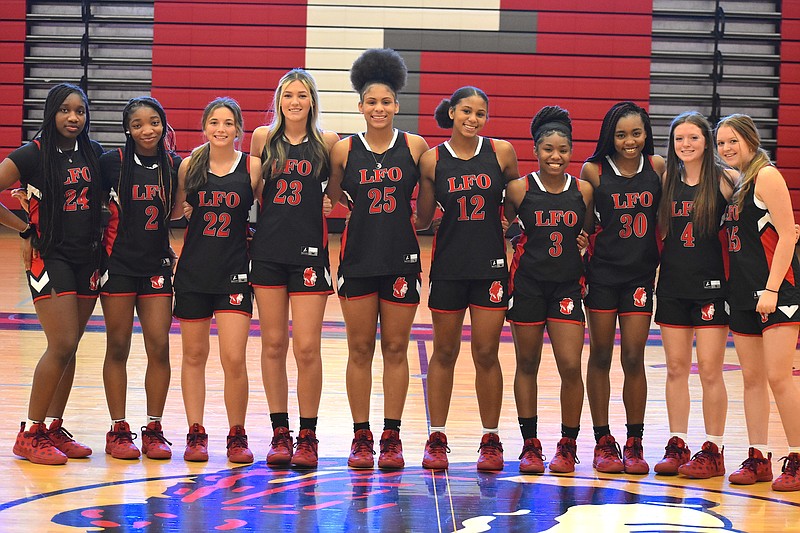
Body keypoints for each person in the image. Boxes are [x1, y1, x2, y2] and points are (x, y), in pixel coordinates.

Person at [326, 48, 429, 469]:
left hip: (402, 259)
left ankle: (391, 435)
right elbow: (333, 195)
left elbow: (431, 200)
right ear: (360, 106)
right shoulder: (344, 150)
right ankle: (361, 436)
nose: (379, 108)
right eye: (372, 101)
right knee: (359, 349)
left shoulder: (416, 146)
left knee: (396, 348)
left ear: (397, 105)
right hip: (358, 258)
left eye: (386, 101)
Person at [415, 86, 519, 471]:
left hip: (490, 266)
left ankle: (490, 438)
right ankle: (436, 437)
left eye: (480, 113)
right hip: (448, 266)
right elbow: (423, 219)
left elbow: (516, 203)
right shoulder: (431, 160)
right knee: (443, 352)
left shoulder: (501, 152)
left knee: (487, 353)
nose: (472, 119)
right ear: (452, 113)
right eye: (466, 111)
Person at [2, 83, 103, 464]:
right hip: (51, 257)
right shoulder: (32, 154)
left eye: (80, 111)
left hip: (88, 260)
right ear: (51, 113)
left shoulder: (94, 154)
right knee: (60, 344)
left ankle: (53, 428)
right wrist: (25, 228)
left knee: (71, 347)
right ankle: (29, 432)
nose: (73, 117)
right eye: (65, 110)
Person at [248, 69, 339, 468]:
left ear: (312, 100)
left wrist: (328, 204)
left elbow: (336, 196)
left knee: (306, 347)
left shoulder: (328, 142)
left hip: (308, 255)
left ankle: (308, 435)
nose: (295, 102)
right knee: (272, 345)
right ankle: (279, 432)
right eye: (288, 95)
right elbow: (247, 188)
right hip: (267, 252)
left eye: (302, 95)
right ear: (279, 100)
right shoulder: (262, 138)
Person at [504, 106, 594, 474]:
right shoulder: (518, 188)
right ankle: (529, 445)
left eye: (563, 150)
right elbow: (505, 229)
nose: (555, 157)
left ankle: (568, 445)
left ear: (571, 151)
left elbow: (588, 233)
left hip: (567, 286)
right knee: (527, 363)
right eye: (548, 150)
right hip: (526, 284)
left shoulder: (584, 190)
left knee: (571, 365)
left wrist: (586, 244)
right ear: (536, 151)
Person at [716, 114, 800, 491]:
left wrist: (771, 289)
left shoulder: (767, 175)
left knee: (780, 377)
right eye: (721, 143)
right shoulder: (737, 184)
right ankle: (758, 456)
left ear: (750, 140)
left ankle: (797, 458)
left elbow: (787, 236)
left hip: (777, 292)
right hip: (743, 294)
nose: (726, 148)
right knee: (752, 380)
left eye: (733, 141)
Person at [580, 101, 664, 474]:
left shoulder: (658, 167)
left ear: (646, 134)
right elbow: (582, 225)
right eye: (621, 134)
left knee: (633, 357)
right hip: (601, 275)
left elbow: (664, 220)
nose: (629, 141)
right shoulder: (593, 171)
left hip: (640, 277)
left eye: (636, 133)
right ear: (609, 136)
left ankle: (634, 441)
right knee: (600, 355)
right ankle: (603, 441)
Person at [173, 97, 257, 463]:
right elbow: (177, 212)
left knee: (233, 358)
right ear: (204, 127)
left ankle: (237, 434)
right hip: (193, 272)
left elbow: (268, 217)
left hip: (234, 272)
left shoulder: (253, 168)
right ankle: (196, 433)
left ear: (239, 129)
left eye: (228, 123)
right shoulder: (190, 166)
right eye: (214, 122)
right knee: (193, 355)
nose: (220, 129)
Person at [653, 111, 735, 478]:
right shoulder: (667, 179)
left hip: (711, 289)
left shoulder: (725, 180)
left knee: (710, 372)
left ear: (707, 142)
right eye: (679, 138)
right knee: (675, 369)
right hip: (671, 285)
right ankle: (676, 442)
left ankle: (714, 447)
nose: (686, 144)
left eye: (693, 138)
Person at [98, 97, 180, 460]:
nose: (147, 130)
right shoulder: (110, 164)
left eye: (154, 123)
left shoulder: (174, 165)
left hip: (157, 266)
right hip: (117, 266)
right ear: (127, 130)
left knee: (159, 346)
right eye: (138, 125)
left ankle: (154, 427)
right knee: (117, 346)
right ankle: (118, 429)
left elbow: (181, 210)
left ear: (164, 125)